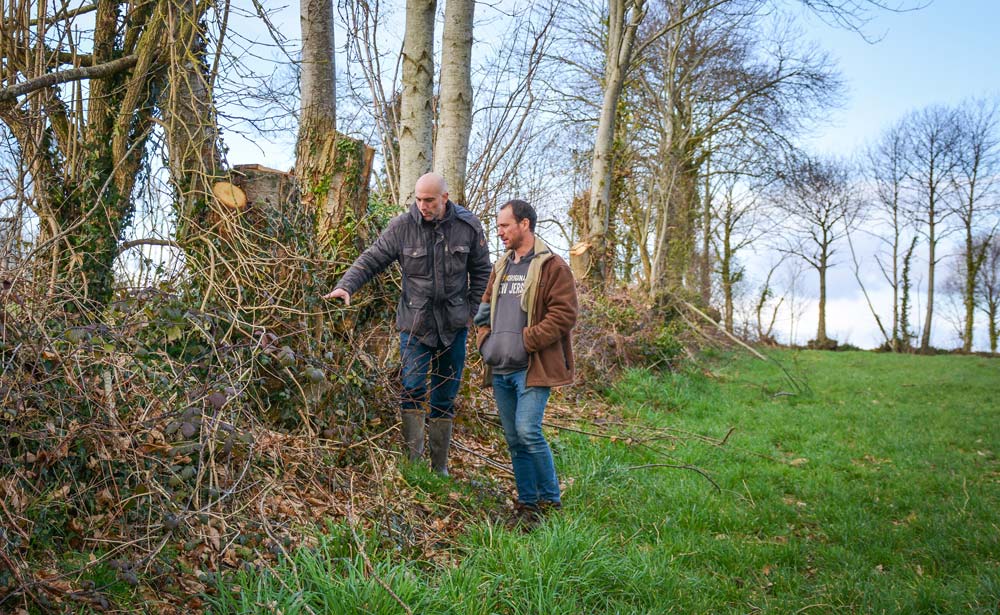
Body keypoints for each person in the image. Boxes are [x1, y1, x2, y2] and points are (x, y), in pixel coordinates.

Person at [324, 172, 491, 475]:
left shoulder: (468, 227)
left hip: (454, 325)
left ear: (445, 197)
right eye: (418, 199)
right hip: (415, 324)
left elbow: (482, 271)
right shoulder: (402, 227)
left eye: (429, 200)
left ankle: (439, 468)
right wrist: (347, 286)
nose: (423, 206)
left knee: (445, 396)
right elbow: (372, 258)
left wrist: (472, 310)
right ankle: (413, 465)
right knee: (412, 388)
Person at [474, 199, 578, 523]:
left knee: (528, 431)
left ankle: (551, 503)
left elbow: (565, 315)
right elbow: (484, 309)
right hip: (500, 366)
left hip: (531, 368)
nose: (500, 231)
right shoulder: (501, 266)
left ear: (524, 224)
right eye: (499, 225)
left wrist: (526, 340)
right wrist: (484, 341)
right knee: (514, 439)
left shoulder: (553, 266)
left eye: (505, 225)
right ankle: (528, 504)